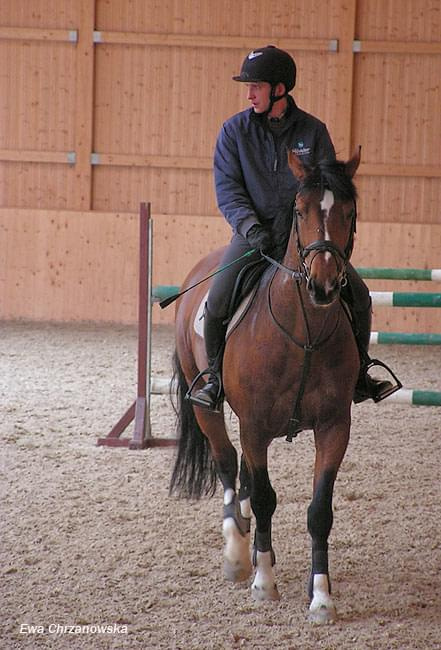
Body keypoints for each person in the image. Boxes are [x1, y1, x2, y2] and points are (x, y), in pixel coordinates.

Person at [189, 45, 394, 411]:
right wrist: (252, 228)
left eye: (256, 86)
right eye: (248, 87)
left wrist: (323, 235)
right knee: (219, 298)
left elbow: (330, 190)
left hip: (309, 236)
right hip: (253, 235)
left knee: (358, 295)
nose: (249, 94)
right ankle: (215, 379)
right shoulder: (234, 132)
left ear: (280, 89)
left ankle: (361, 374)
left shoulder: (313, 132)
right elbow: (228, 190)